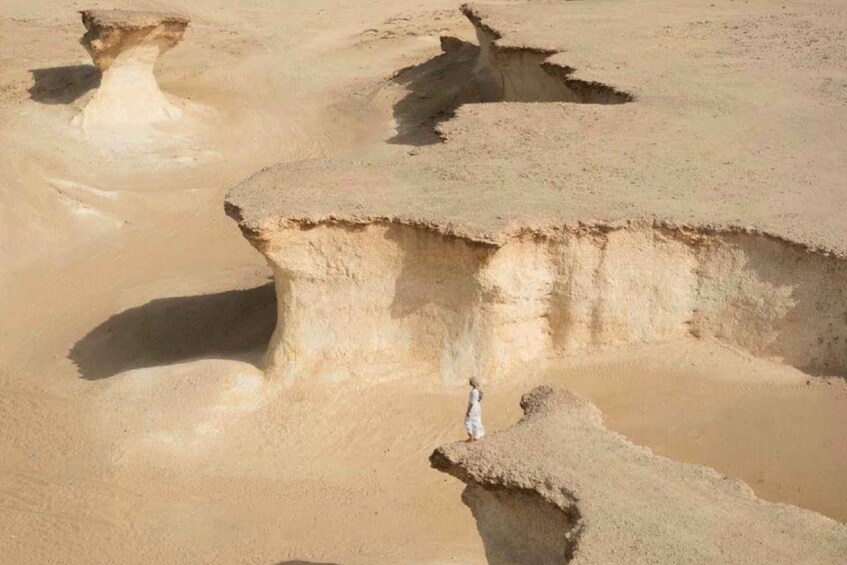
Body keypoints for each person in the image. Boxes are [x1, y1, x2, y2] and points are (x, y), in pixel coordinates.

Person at [464, 377, 485, 442]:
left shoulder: (474, 391)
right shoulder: (477, 390)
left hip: (473, 408)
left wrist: (468, 411)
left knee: (467, 421)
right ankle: (476, 436)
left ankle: (471, 438)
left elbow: (472, 402)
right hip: (477, 407)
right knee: (476, 421)